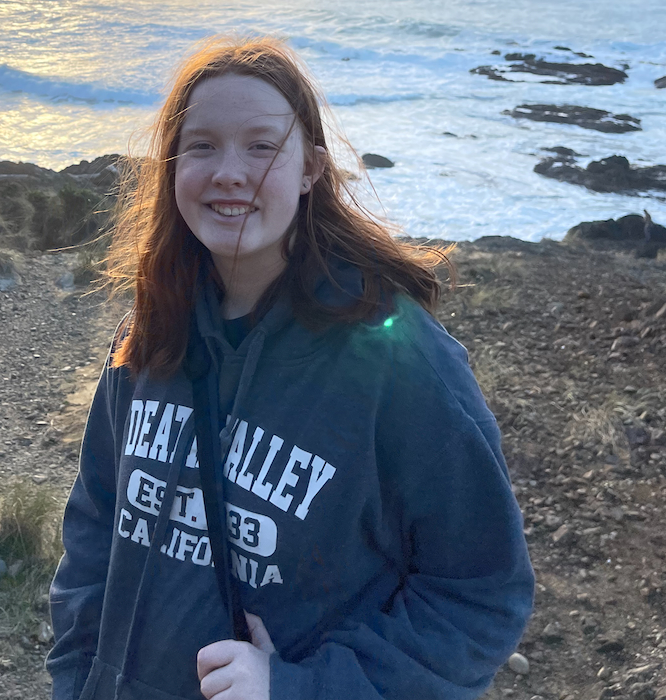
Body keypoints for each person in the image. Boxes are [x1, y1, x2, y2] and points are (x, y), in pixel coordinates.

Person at [48, 37, 533, 700]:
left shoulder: (398, 360)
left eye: (261, 146)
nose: (228, 172)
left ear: (310, 168)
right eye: (202, 145)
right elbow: (95, 528)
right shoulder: (149, 334)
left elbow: (481, 595)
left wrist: (301, 688)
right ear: (171, 167)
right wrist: (78, 678)